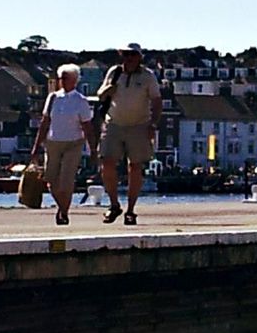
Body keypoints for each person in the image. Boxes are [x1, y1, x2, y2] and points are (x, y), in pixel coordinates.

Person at [97, 44, 163, 225]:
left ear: (140, 57)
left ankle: (131, 210)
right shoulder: (114, 72)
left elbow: (157, 101)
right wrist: (108, 90)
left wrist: (153, 124)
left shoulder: (148, 76)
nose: (129, 58)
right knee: (107, 163)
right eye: (126, 54)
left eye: (133, 55)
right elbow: (101, 94)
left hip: (139, 125)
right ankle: (114, 205)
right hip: (114, 123)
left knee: (135, 166)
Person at [31, 63, 96, 227]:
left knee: (66, 182)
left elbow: (87, 127)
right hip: (53, 143)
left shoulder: (81, 101)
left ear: (74, 80)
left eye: (66, 78)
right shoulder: (53, 98)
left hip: (73, 143)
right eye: (61, 78)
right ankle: (62, 206)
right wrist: (36, 146)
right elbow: (45, 123)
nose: (62, 81)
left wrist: (93, 150)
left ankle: (63, 212)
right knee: (51, 180)